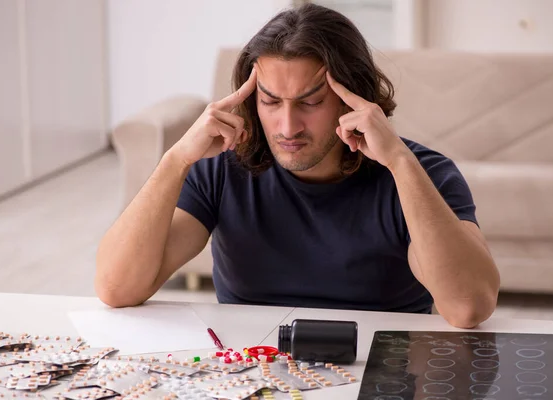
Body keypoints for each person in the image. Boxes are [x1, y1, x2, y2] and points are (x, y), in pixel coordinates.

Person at [95, 3, 500, 328]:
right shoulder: (221, 169)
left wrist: (399, 162)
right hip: (251, 372)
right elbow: (117, 288)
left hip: (382, 372)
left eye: (310, 102)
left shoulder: (418, 173)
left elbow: (468, 308)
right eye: (270, 101)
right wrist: (176, 159)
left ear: (351, 98)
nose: (287, 126)